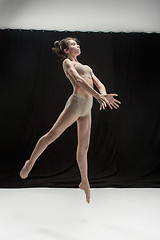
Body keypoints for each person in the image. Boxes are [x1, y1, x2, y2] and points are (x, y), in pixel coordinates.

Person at [19, 37, 121, 204]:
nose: (77, 45)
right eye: (73, 44)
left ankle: (84, 181)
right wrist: (98, 97)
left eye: (77, 43)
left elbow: (99, 83)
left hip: (87, 108)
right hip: (76, 104)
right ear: (66, 50)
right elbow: (79, 81)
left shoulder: (87, 67)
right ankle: (30, 162)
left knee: (84, 147)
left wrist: (103, 95)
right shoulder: (68, 63)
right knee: (52, 135)